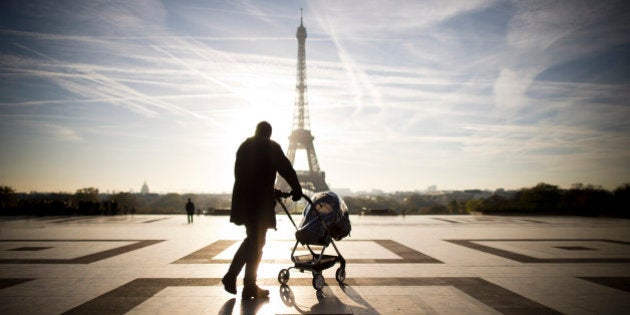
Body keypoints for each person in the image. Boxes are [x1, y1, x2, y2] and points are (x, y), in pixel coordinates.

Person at [222, 121, 302, 299]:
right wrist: (297, 188)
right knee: (256, 242)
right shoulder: (270, 146)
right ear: (269, 133)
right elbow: (286, 169)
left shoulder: (244, 146)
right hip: (259, 203)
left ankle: (242, 281)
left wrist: (269, 190)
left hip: (244, 201)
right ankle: (239, 279)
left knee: (254, 240)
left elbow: (245, 176)